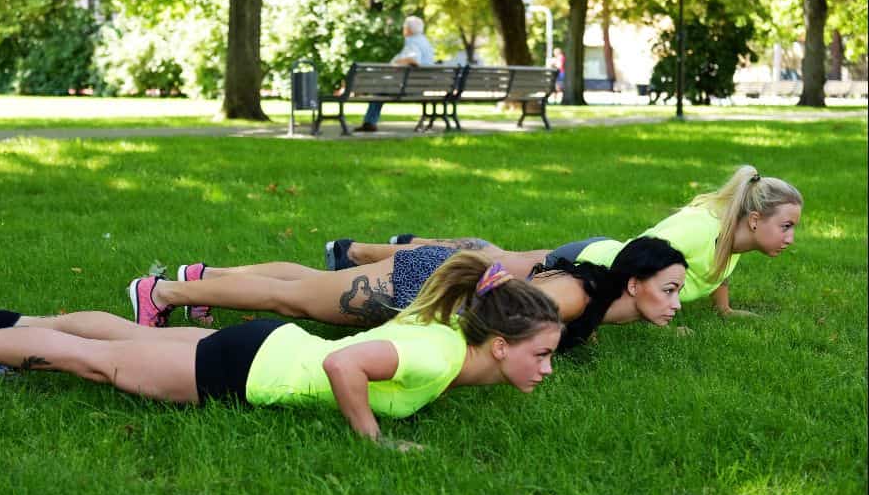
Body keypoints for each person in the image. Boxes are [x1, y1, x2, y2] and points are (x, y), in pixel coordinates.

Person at [0, 252, 562, 450]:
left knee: (130, 338)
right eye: (542, 354)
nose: (549, 367)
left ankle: (12, 326)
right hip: (247, 368)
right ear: (500, 345)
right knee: (97, 361)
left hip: (267, 345)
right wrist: (373, 439)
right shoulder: (440, 357)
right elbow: (344, 364)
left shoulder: (447, 331)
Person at [324, 165, 803, 317]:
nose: (791, 237)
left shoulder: (732, 237)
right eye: (786, 226)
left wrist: (723, 309)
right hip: (587, 264)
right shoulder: (700, 229)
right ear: (754, 219)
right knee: (484, 267)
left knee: (495, 256)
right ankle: (358, 253)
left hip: (592, 256)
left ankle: (400, 243)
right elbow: (641, 257)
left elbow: (717, 270)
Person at [128, 236, 686, 352]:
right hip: (421, 285)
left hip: (432, 275)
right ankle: (163, 292)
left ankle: (203, 277)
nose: (678, 301)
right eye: (670, 290)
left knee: (303, 283)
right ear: (633, 284)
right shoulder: (575, 299)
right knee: (292, 299)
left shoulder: (598, 298)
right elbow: (498, 312)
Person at [353, 15, 435, 133]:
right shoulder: (425, 42)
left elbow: (414, 60)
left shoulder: (413, 42)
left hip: (408, 87)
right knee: (380, 89)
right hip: (420, 86)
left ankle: (369, 122)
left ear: (408, 29)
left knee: (379, 89)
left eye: (404, 27)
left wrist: (397, 62)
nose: (403, 29)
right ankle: (369, 122)